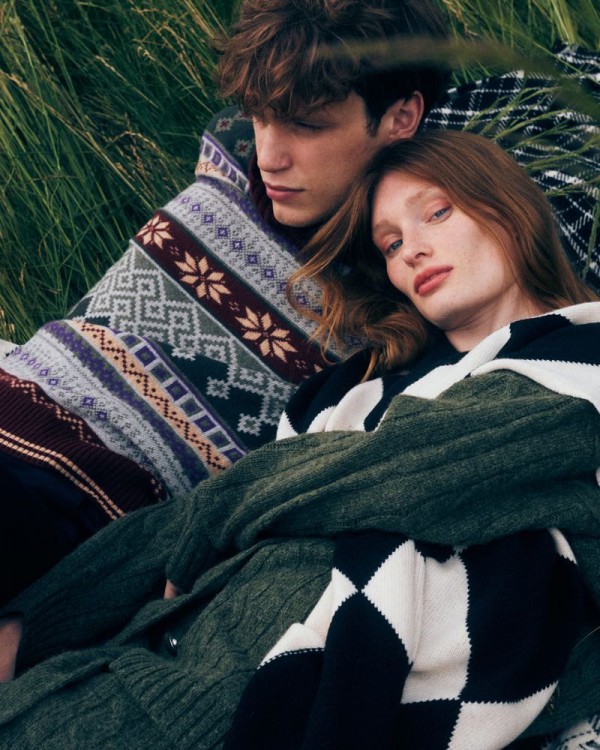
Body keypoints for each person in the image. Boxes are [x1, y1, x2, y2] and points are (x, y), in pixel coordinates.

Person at [0, 130, 599, 749]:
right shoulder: (348, 389)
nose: (413, 251)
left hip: (279, 696)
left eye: (437, 213)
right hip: (159, 659)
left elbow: (404, 471)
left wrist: (218, 518)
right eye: (391, 244)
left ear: (509, 206)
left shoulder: (582, 352)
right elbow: (202, 519)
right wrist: (35, 622)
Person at [0, 0, 597, 593]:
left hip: (86, 490)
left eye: (307, 126)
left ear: (402, 116)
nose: (269, 157)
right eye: (259, 117)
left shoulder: (414, 272)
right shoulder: (233, 150)